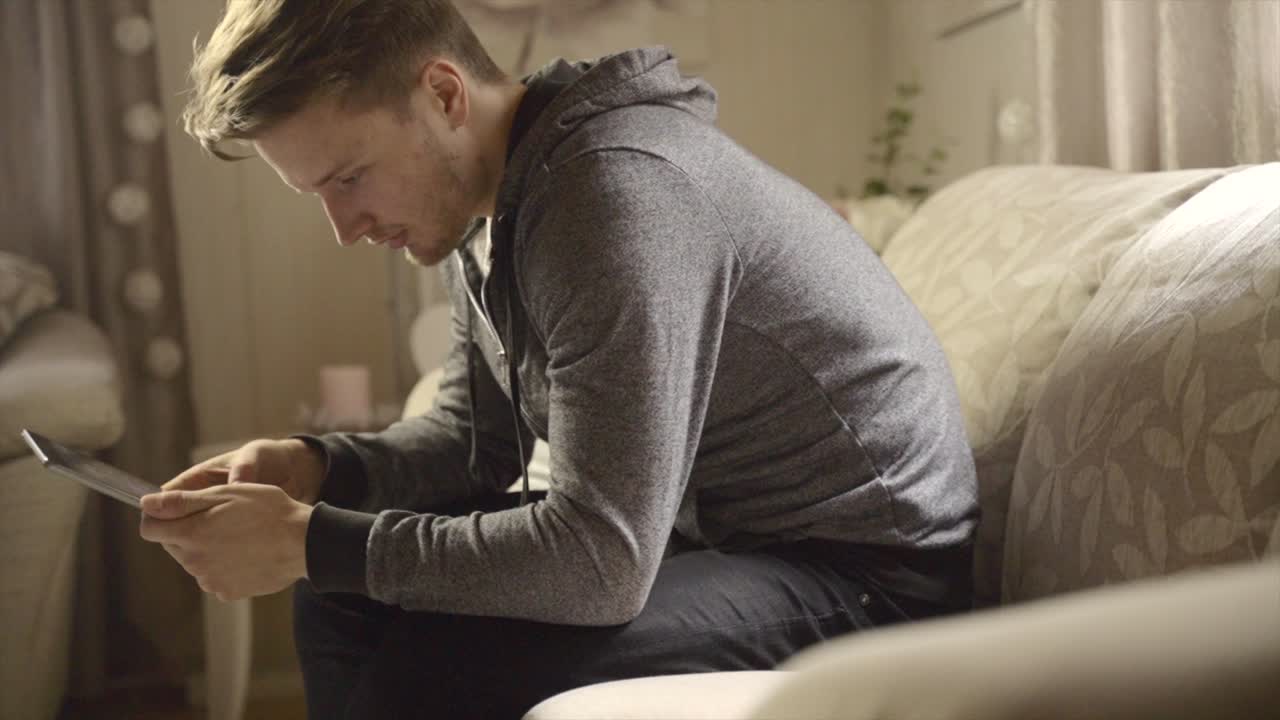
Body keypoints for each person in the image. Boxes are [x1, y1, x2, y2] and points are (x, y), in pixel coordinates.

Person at [138, 0, 980, 717]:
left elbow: (600, 561)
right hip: (700, 539)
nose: (344, 228)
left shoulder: (612, 199)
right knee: (336, 600)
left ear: (443, 94)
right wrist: (320, 470)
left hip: (859, 574)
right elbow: (473, 443)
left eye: (350, 177)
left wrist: (315, 541)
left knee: (435, 668)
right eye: (318, 192)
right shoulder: (494, 205)